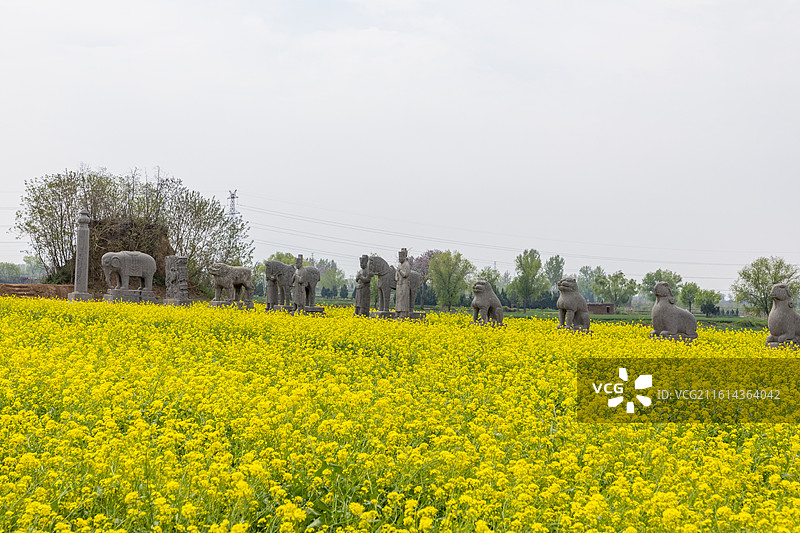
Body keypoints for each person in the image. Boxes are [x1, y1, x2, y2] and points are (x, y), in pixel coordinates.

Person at [395, 248, 411, 318]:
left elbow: (405, 274)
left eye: (401, 257)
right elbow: (396, 274)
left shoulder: (406, 264)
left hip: (404, 284)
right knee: (398, 299)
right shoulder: (399, 265)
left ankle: (403, 313)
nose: (400, 259)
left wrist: (400, 271)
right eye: (399, 257)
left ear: (404, 257)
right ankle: (398, 312)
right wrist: (396, 277)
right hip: (399, 284)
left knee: (403, 299)